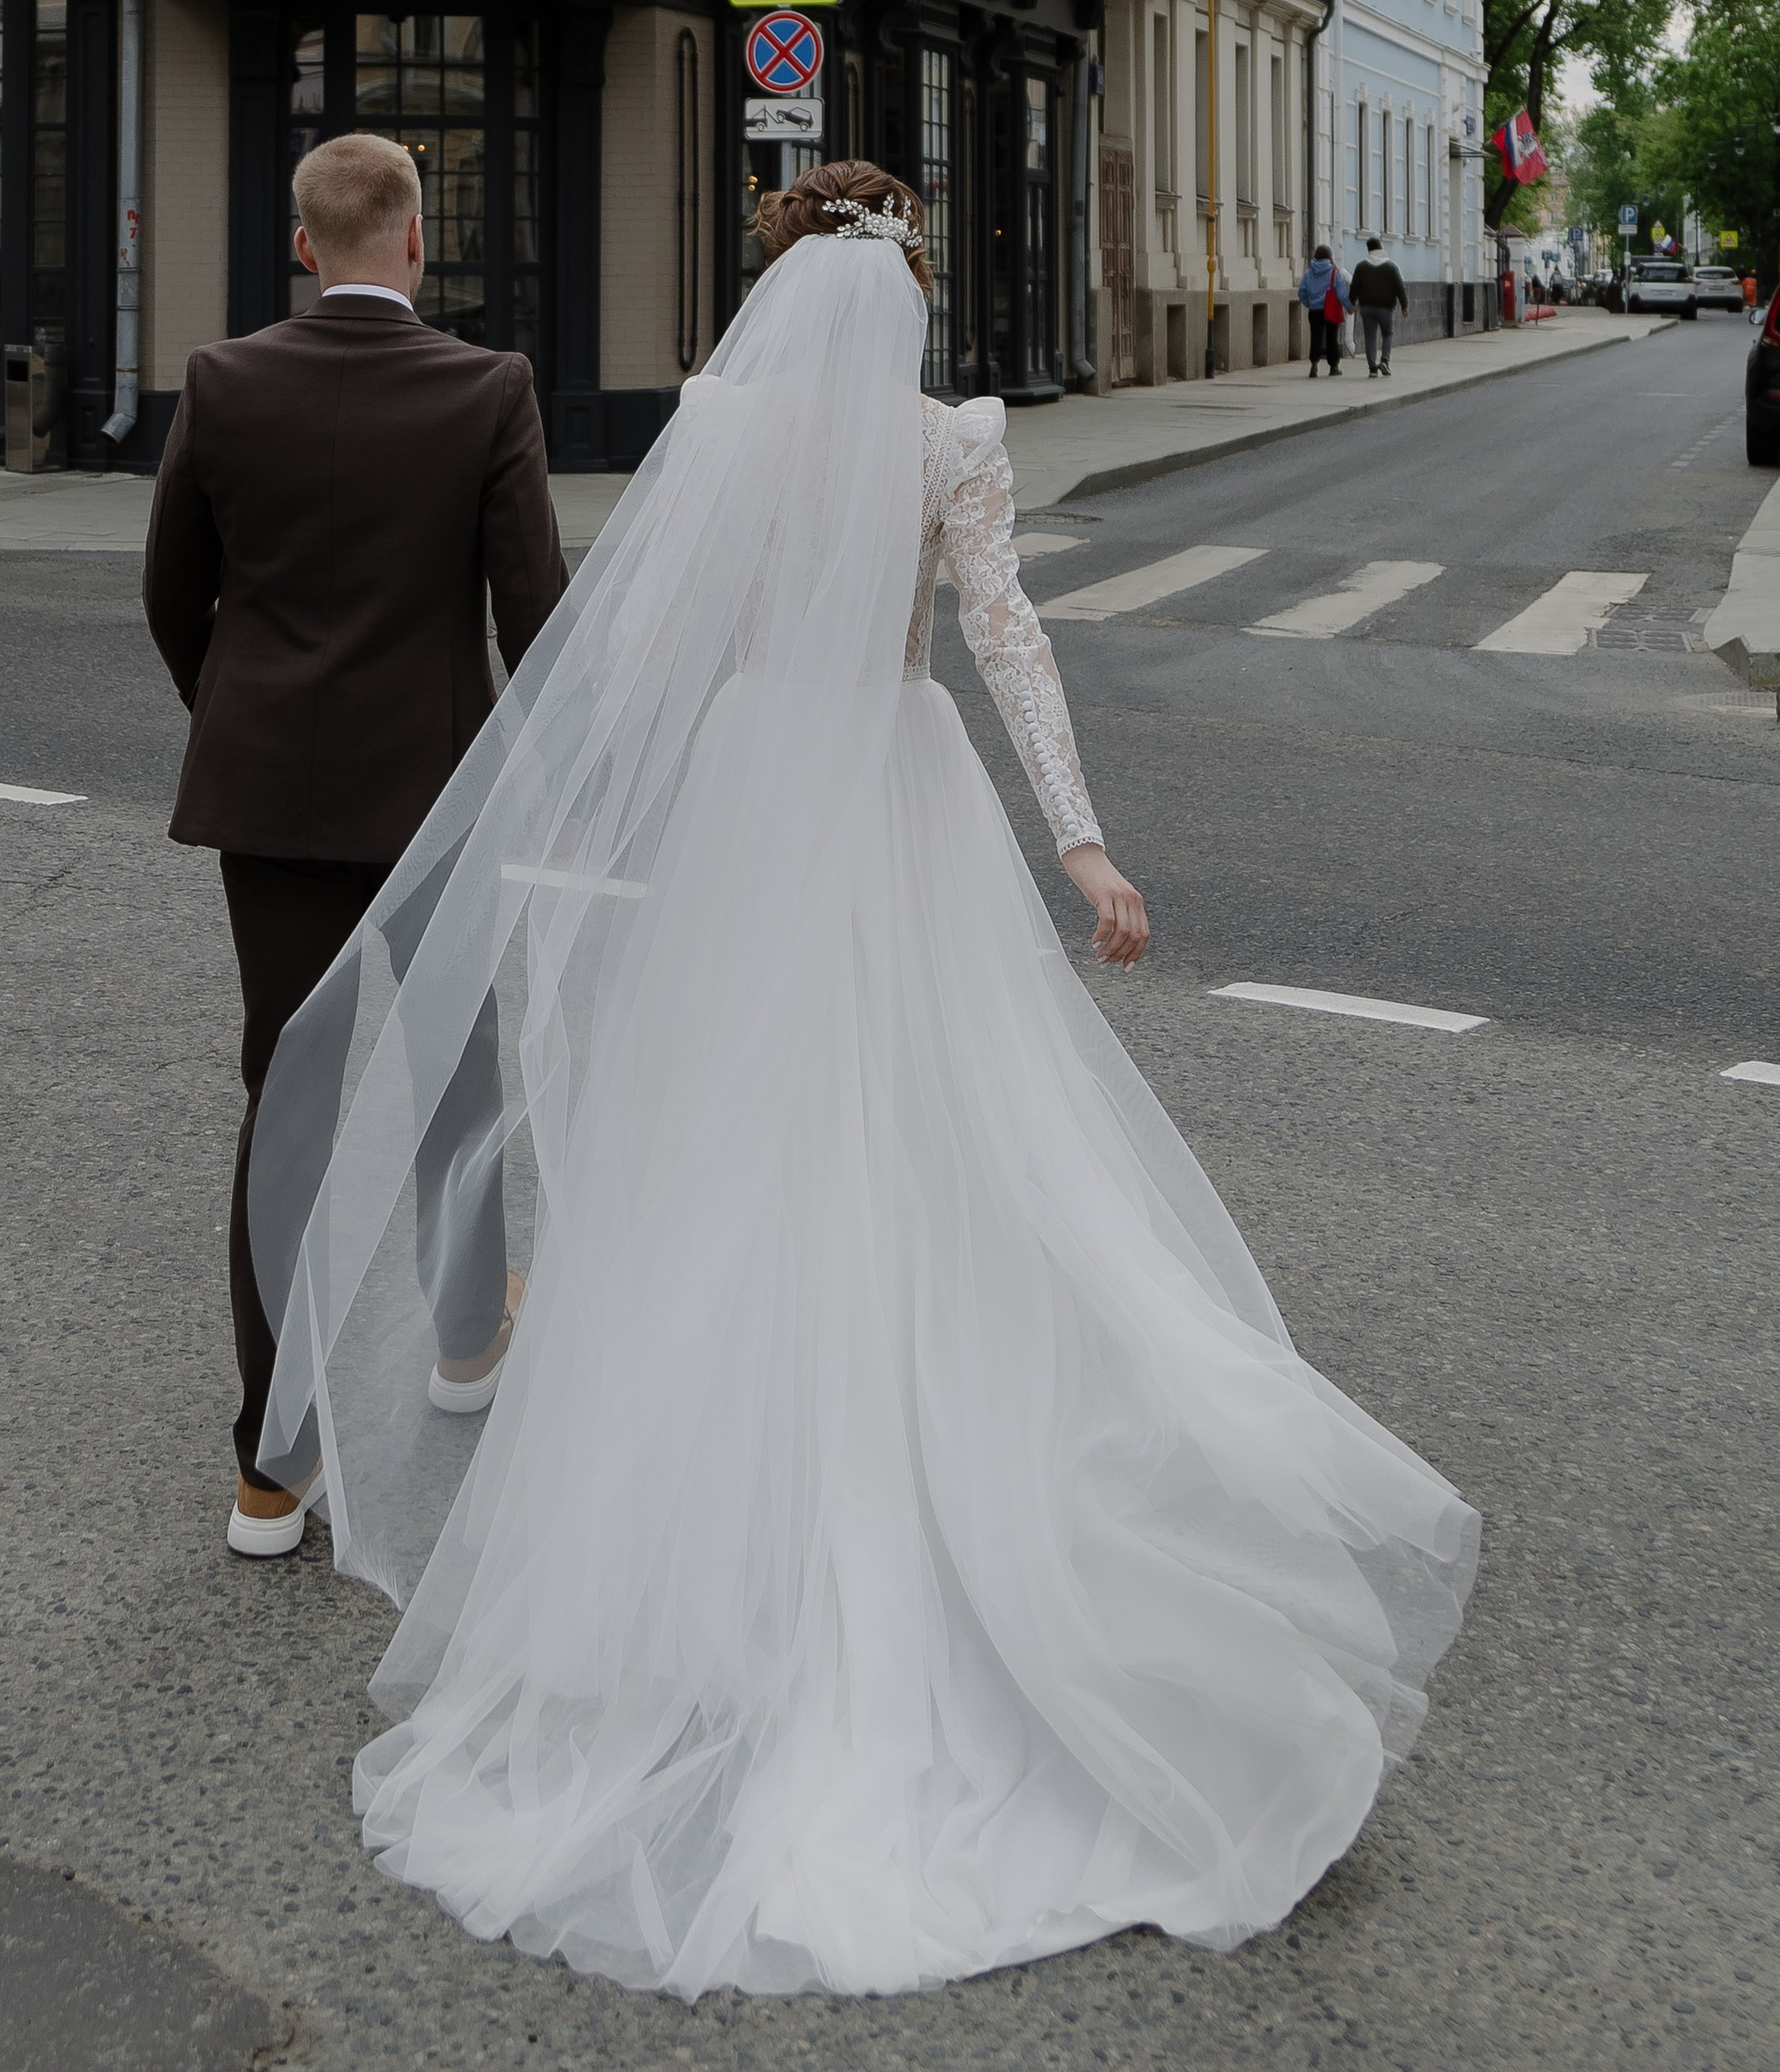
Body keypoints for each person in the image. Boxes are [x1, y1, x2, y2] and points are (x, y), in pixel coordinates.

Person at [245, 160, 1477, 1996]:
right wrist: (1079, 842)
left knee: (723, 1147)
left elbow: (638, 643)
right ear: (899, 285)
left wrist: (601, 822)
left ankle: (694, 1565)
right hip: (893, 786)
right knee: (933, 1134)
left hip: (754, 795)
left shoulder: (723, 423)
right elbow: (1005, 637)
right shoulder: (945, 442)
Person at [142, 130, 566, 1560]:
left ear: (304, 246)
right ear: (419, 241)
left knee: (290, 1096)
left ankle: (272, 1470)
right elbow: (533, 612)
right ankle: (465, 1340)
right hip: (433, 794)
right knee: (456, 1065)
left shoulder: (222, 380)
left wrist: (239, 715)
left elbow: (172, 593)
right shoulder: (487, 388)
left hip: (269, 795)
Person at [1349, 237, 1409, 376]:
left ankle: (1372, 369)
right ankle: (1385, 361)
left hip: (1366, 308)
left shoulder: (1361, 266)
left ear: (1368, 249)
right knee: (1387, 334)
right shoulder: (1391, 266)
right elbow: (1400, 288)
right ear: (1381, 248)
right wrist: (1404, 306)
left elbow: (1354, 287)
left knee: (1370, 337)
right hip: (1385, 308)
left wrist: (1351, 304)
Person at [1297, 240, 1352, 376]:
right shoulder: (1334, 273)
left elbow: (1302, 292)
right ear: (1329, 257)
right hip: (1330, 310)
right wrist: (1349, 307)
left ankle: (1314, 364)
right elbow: (1342, 294)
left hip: (1315, 311)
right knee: (1332, 338)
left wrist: (1310, 303)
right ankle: (1334, 367)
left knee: (1315, 337)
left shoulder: (1309, 273)